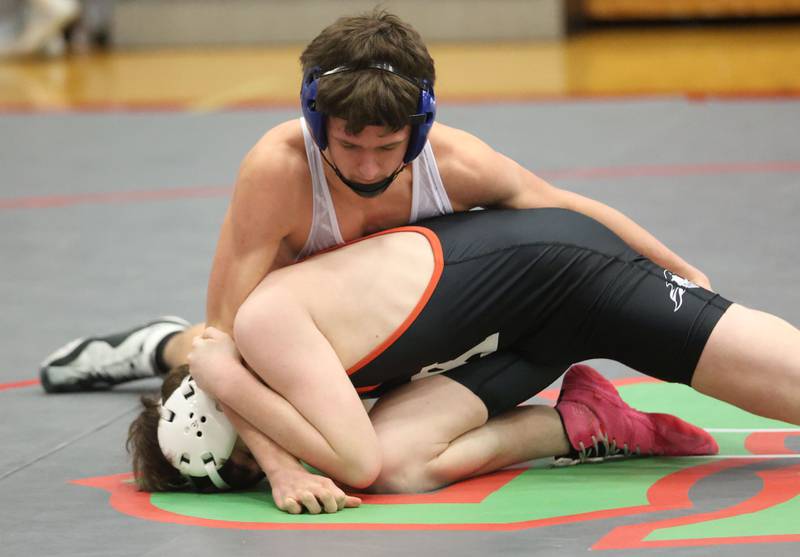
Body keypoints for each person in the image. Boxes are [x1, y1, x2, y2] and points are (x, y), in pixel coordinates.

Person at [41, 10, 714, 509]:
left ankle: (159, 342)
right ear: (315, 122)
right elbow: (224, 344)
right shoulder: (279, 171)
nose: (366, 167)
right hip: (318, 344)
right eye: (348, 145)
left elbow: (562, 208)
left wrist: (680, 272)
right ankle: (578, 424)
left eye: (385, 148)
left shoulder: (450, 162)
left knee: (273, 389)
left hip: (403, 332)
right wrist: (279, 467)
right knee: (243, 367)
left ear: (415, 131)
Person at [130, 208, 743, 513]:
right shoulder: (263, 373)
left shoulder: (261, 332)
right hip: (511, 340)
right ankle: (585, 422)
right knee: (396, 469)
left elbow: (351, 458)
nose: (267, 464)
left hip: (565, 277)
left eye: (248, 456)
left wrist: (677, 270)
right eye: (250, 474)